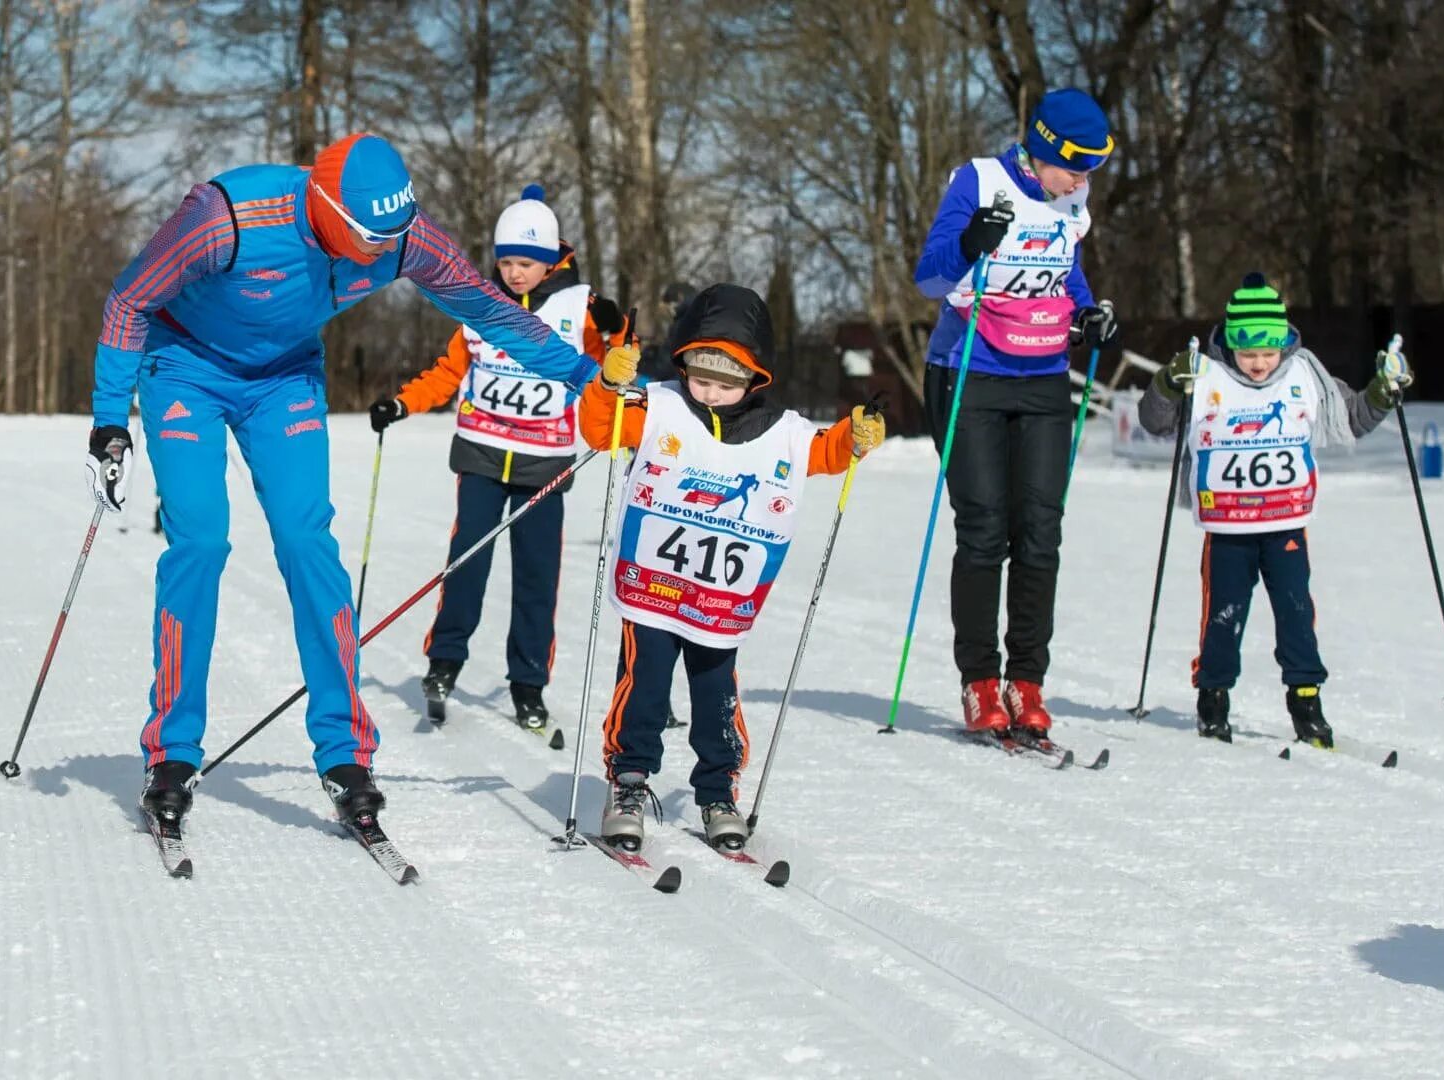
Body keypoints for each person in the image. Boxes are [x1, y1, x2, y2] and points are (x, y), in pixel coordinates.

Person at [85, 133, 599, 827]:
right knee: (201, 541)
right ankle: (172, 748)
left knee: (307, 544)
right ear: (326, 208)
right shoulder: (226, 216)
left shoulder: (400, 235)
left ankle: (343, 751)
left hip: (284, 378)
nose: (383, 250)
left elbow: (484, 306)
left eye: (393, 236)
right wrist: (110, 422)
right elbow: (128, 299)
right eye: (368, 236)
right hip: (185, 367)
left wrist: (584, 376)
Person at [578, 284, 886, 850]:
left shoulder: (782, 432)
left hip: (719, 598)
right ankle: (628, 781)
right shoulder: (658, 407)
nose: (711, 393)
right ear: (685, 364)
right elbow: (600, 430)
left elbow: (825, 452)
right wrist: (606, 384)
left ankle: (718, 790)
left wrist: (855, 434)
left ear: (755, 379)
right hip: (653, 586)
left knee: (716, 695)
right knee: (642, 686)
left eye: (726, 383)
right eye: (702, 378)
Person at [367, 185, 625, 731]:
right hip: (482, 455)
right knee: (466, 564)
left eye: (526, 263)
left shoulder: (576, 310)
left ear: (552, 261)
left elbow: (614, 372)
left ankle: (528, 685)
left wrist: (615, 328)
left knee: (537, 576)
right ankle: (444, 664)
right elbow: (447, 372)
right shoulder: (479, 304)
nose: (514, 273)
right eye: (506, 261)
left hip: (545, 464)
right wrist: (402, 402)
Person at [911, 86, 1122, 739]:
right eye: (1075, 166)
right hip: (969, 371)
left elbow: (1065, 272)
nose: (1082, 180)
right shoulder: (978, 182)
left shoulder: (1070, 201)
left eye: (1091, 170)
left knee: (1040, 532)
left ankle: (1026, 681)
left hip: (1043, 376)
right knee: (983, 529)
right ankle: (980, 683)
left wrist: (1089, 313)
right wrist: (971, 242)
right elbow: (931, 279)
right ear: (1041, 149)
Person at [1135, 272, 1413, 747]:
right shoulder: (1205, 374)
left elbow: (1352, 417)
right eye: (1249, 354)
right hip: (1226, 529)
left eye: (1269, 353)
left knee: (1296, 613)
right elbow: (1155, 422)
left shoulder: (1305, 373)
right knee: (1223, 616)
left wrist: (1384, 391)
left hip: (1285, 525)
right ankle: (1214, 696)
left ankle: (1306, 699)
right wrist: (1166, 382)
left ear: (1284, 342)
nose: (1260, 364)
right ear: (1231, 344)